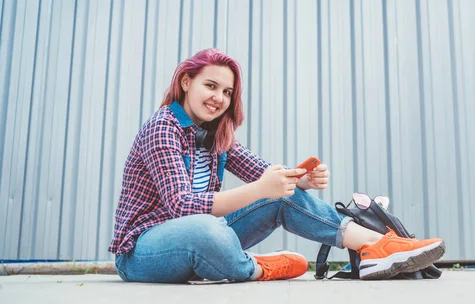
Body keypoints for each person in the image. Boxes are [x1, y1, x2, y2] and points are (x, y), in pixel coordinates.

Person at [109, 48, 445, 283]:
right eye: (210, 86)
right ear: (186, 83)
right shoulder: (162, 127)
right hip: (142, 253)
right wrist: (260, 188)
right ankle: (251, 268)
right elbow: (181, 206)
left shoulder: (216, 134)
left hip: (202, 239)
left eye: (227, 92)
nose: (219, 98)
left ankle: (376, 245)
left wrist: (300, 180)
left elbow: (265, 174)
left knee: (275, 197)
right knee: (206, 230)